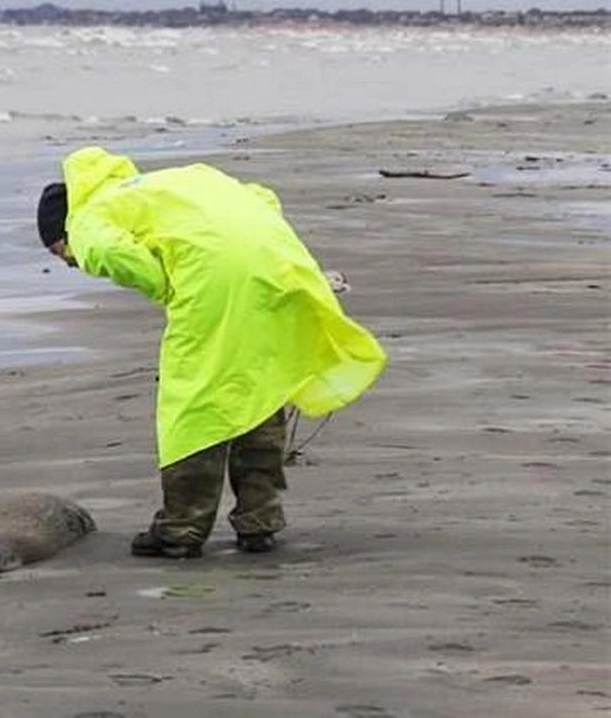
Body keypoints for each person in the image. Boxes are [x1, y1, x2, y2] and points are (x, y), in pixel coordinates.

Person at [36, 146, 387, 558]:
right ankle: (260, 520)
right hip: (277, 262)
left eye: (60, 252)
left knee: (194, 399)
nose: (68, 261)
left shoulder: (88, 216)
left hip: (215, 281)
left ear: (64, 229)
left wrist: (164, 286)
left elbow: (114, 253)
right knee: (259, 382)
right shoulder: (172, 182)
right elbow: (263, 196)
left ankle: (182, 528)